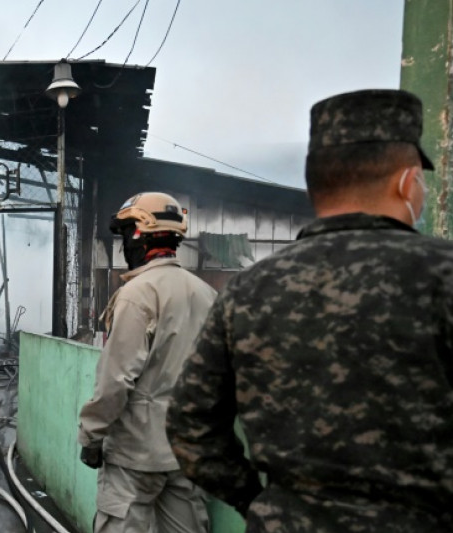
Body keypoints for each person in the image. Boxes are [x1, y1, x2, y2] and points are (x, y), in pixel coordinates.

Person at [166, 89, 453, 532]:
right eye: (422, 181)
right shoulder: (442, 275)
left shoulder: (249, 290)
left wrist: (260, 503)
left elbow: (189, 425)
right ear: (405, 181)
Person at [78, 192, 215, 533]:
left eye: (126, 234)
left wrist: (91, 437)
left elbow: (115, 381)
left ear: (141, 233)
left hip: (134, 457)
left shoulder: (138, 294)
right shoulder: (206, 294)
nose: (125, 244)